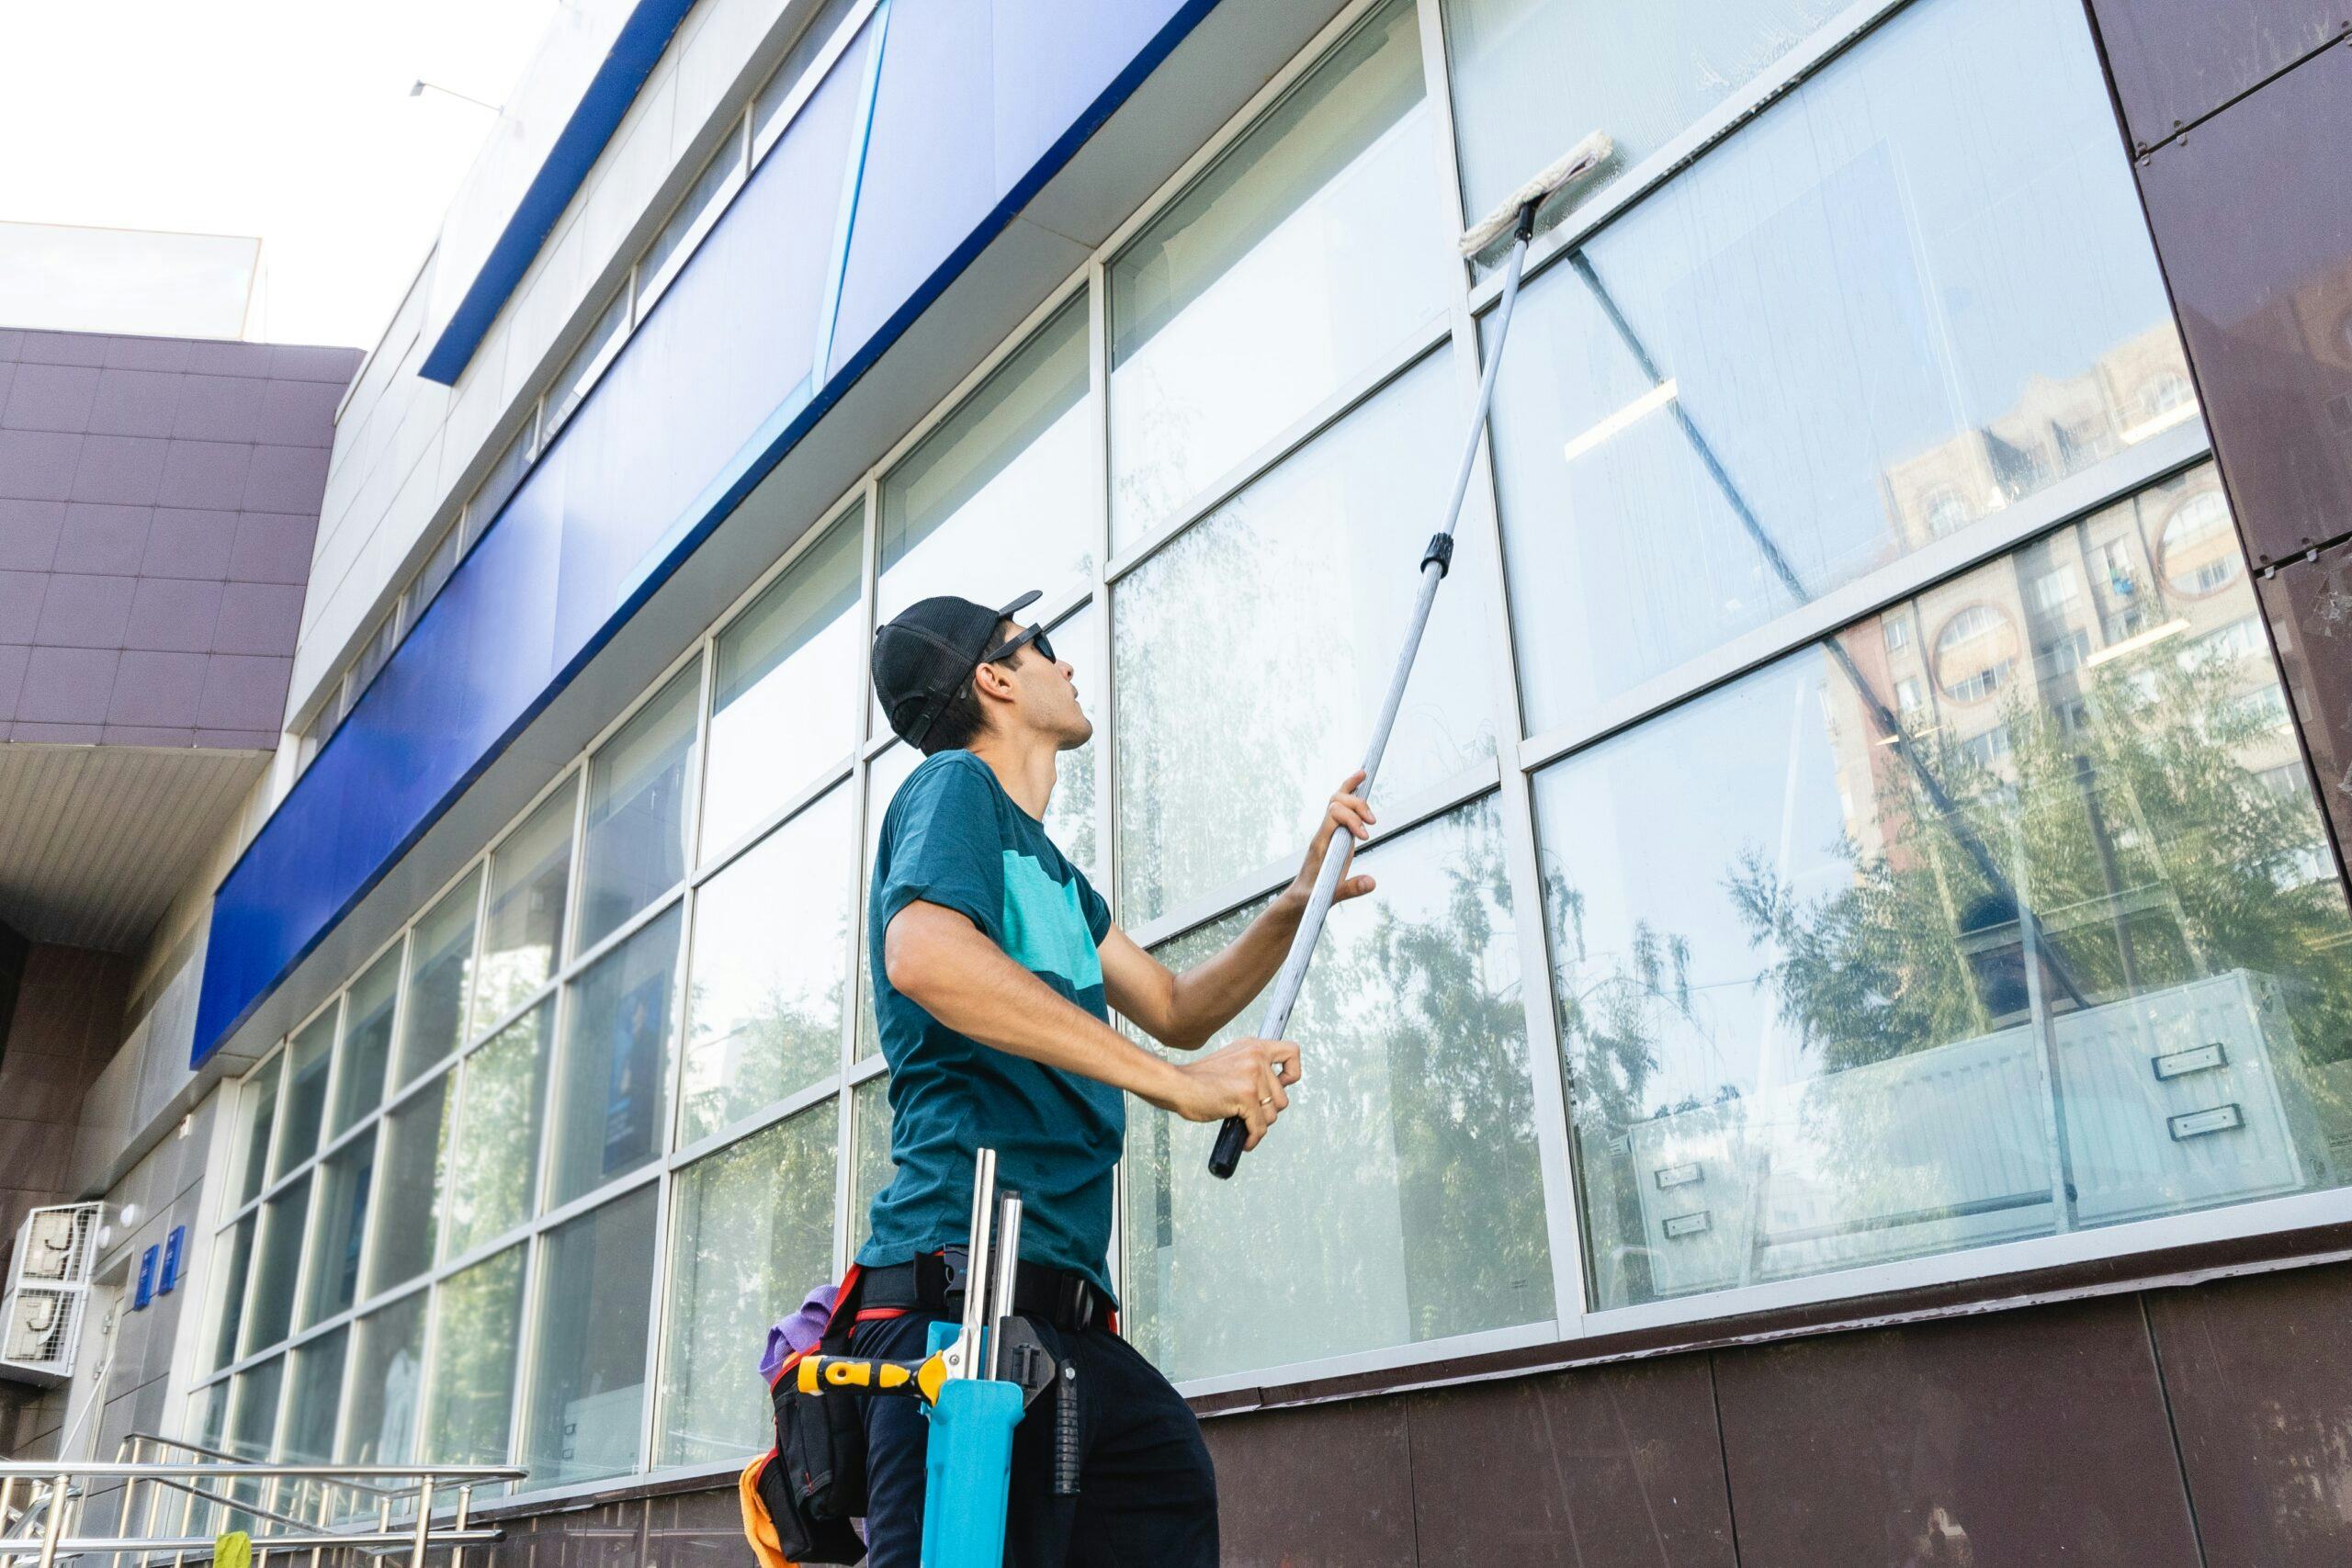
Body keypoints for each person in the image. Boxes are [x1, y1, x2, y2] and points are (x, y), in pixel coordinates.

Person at [854, 589, 1374, 1565]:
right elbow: (921, 951)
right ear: (995, 678)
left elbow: (1176, 1004)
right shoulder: (953, 790)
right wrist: (1175, 1085)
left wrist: (1296, 902)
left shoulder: (1049, 871)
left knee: (1162, 1476)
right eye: (1043, 645)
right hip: (960, 1305)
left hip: (1065, 1315)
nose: (1069, 663)